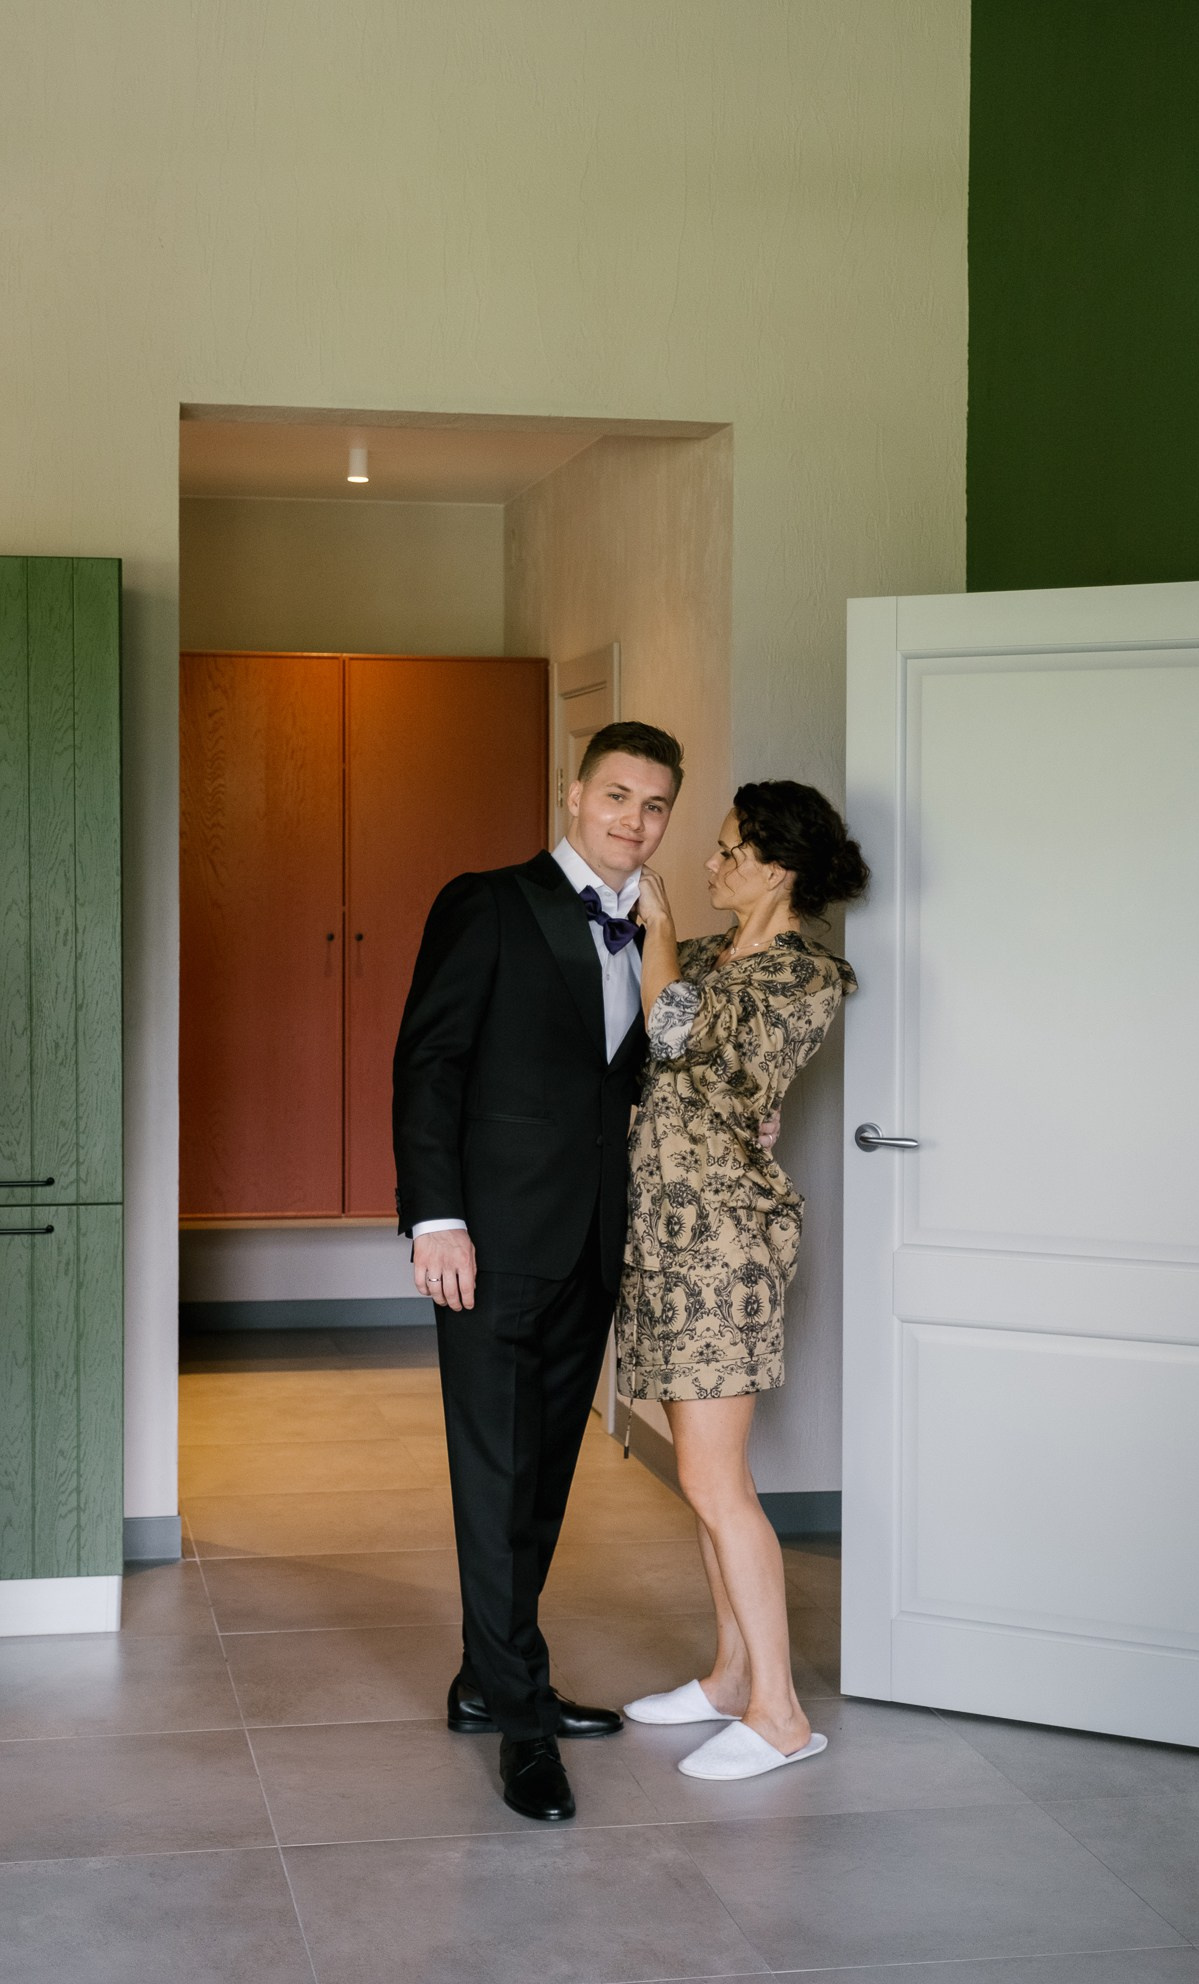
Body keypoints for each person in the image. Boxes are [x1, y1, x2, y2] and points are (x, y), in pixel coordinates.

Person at [391, 721, 684, 1823]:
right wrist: (436, 1219)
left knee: (543, 1476)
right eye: (616, 795)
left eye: (654, 806)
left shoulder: (654, 931)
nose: (633, 821)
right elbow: (429, 1064)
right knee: (494, 1478)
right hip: (494, 1241)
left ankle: (490, 1675)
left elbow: (653, 1071)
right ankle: (520, 1724)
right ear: (572, 793)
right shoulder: (489, 902)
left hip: (592, 1243)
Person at [617, 779, 867, 1779]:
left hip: (724, 1243)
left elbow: (675, 1032)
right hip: (663, 1236)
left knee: (714, 1480)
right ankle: (729, 1678)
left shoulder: (804, 974)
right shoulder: (711, 956)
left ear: (778, 869)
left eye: (729, 851)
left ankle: (779, 1713)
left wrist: (657, 927)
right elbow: (664, 1068)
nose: (711, 863)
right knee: (705, 1476)